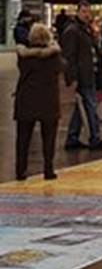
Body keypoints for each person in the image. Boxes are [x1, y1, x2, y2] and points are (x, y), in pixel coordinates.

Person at [14, 22, 64, 180]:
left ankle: (21, 170)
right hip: (48, 100)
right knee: (49, 138)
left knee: (23, 138)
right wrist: (54, 45)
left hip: (26, 99)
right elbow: (62, 67)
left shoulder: (24, 57)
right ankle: (48, 169)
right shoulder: (54, 56)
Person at [62, 4, 102, 152]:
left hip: (90, 73)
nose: (86, 14)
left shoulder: (86, 30)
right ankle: (95, 138)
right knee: (90, 106)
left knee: (81, 107)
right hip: (83, 75)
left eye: (88, 11)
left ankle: (72, 137)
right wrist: (72, 77)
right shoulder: (73, 31)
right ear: (77, 12)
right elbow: (69, 56)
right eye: (83, 11)